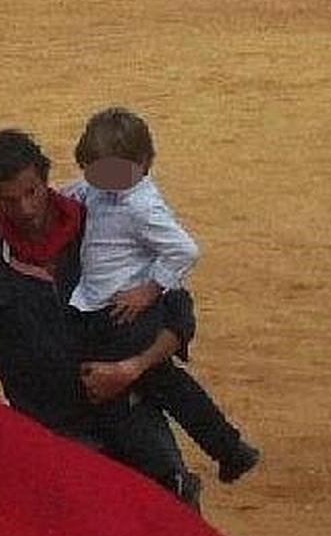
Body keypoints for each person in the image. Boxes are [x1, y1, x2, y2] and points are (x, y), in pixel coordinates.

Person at [0, 127, 198, 504]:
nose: (26, 210)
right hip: (54, 441)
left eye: (31, 192)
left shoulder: (108, 228)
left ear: (46, 179)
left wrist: (131, 368)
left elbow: (179, 315)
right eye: (9, 201)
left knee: (174, 525)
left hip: (135, 415)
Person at [63, 106, 260, 483]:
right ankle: (228, 449)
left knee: (139, 385)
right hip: (109, 310)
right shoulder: (97, 188)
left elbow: (185, 250)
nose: (100, 180)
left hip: (122, 316)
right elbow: (68, 193)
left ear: (144, 164)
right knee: (164, 382)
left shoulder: (141, 205)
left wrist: (149, 289)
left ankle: (222, 451)